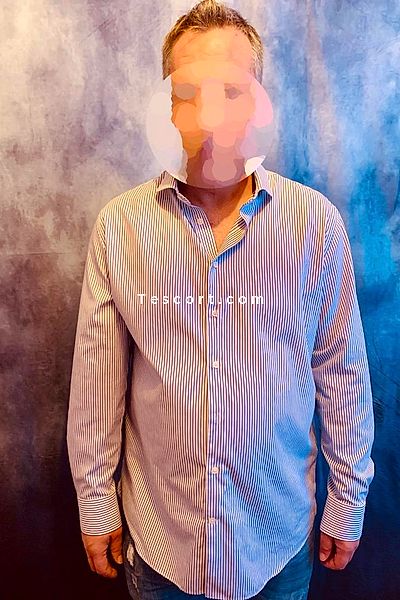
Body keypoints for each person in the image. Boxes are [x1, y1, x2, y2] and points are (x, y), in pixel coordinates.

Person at [66, 2, 375, 599]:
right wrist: (95, 500)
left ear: (258, 104)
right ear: (167, 108)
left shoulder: (315, 226)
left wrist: (348, 496)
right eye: (188, 93)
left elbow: (340, 370)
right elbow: (98, 382)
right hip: (163, 550)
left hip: (277, 542)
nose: (210, 114)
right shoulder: (120, 229)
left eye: (232, 91)